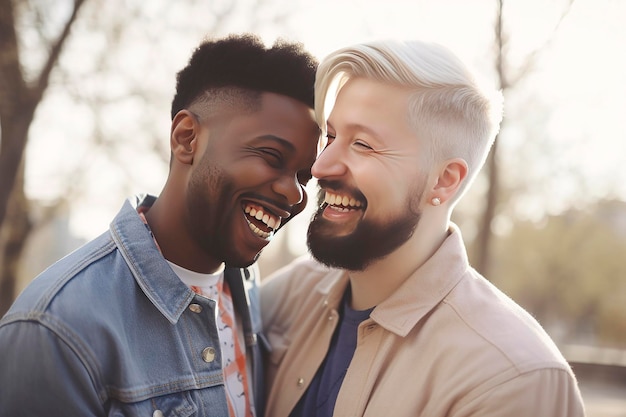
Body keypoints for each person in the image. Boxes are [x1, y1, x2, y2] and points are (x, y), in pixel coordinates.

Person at [0, 33, 320, 417]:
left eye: (303, 176)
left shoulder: (246, 292)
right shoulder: (58, 328)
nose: (294, 194)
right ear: (187, 138)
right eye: (271, 156)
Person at [261, 39, 586, 416]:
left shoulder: (514, 379)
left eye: (363, 145)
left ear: (444, 181)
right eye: (331, 137)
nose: (321, 167)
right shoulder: (287, 297)